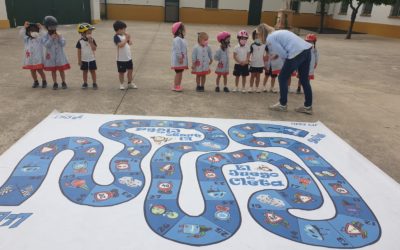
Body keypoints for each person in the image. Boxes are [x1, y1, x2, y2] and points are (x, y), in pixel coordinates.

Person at [258, 23, 314, 114]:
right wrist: (279, 56)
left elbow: (284, 54)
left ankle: (282, 105)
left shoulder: (270, 38)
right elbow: (285, 46)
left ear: (262, 33)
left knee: (282, 77)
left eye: (259, 35)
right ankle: (308, 107)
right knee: (304, 80)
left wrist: (287, 65)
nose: (259, 37)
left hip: (296, 53)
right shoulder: (278, 33)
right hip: (306, 50)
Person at [41, 16, 70, 90]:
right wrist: (51, 38)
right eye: (51, 27)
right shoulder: (45, 36)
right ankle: (55, 83)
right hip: (51, 56)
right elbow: (47, 45)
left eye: (54, 27)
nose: (53, 29)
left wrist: (59, 38)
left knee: (61, 70)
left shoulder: (59, 34)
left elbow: (63, 44)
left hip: (60, 55)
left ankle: (63, 82)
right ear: (47, 27)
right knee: (53, 70)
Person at [20, 21, 47, 88]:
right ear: (28, 32)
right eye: (30, 31)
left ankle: (44, 81)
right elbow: (21, 34)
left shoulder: (39, 39)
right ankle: (36, 81)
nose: (32, 33)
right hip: (30, 59)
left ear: (37, 32)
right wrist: (24, 27)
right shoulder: (27, 39)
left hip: (38, 59)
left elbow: (45, 35)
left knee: (40, 70)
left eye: (34, 31)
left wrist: (41, 28)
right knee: (32, 71)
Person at [113, 20, 136, 90]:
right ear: (119, 29)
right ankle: (121, 84)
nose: (125, 30)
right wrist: (126, 39)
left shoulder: (124, 36)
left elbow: (130, 43)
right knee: (121, 72)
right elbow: (120, 45)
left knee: (130, 71)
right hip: (121, 59)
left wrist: (129, 38)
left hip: (128, 58)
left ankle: (130, 83)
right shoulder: (116, 37)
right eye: (124, 29)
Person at [76, 23, 98, 90]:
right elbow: (79, 51)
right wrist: (79, 60)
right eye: (88, 32)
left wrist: (91, 42)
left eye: (90, 33)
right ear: (82, 33)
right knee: (85, 71)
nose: (90, 34)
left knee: (93, 71)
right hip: (84, 60)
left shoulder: (92, 39)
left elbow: (94, 49)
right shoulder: (80, 41)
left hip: (92, 59)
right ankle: (85, 83)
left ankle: (94, 83)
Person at [171, 22, 188, 92]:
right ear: (179, 30)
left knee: (180, 72)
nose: (184, 30)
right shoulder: (177, 39)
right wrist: (180, 57)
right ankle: (175, 85)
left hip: (181, 60)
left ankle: (178, 85)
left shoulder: (181, 39)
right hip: (178, 60)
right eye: (182, 29)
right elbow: (178, 50)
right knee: (178, 73)